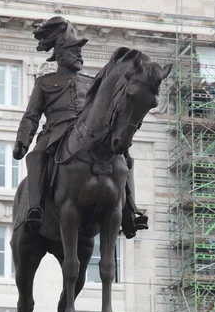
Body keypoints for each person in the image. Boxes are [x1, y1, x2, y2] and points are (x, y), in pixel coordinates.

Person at [13, 16, 147, 238]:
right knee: (36, 156)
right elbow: (31, 116)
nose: (79, 55)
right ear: (60, 54)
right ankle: (35, 207)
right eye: (74, 51)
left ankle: (130, 210)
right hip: (56, 132)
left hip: (91, 133)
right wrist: (22, 141)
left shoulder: (91, 82)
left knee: (124, 158)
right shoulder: (45, 82)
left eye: (80, 51)